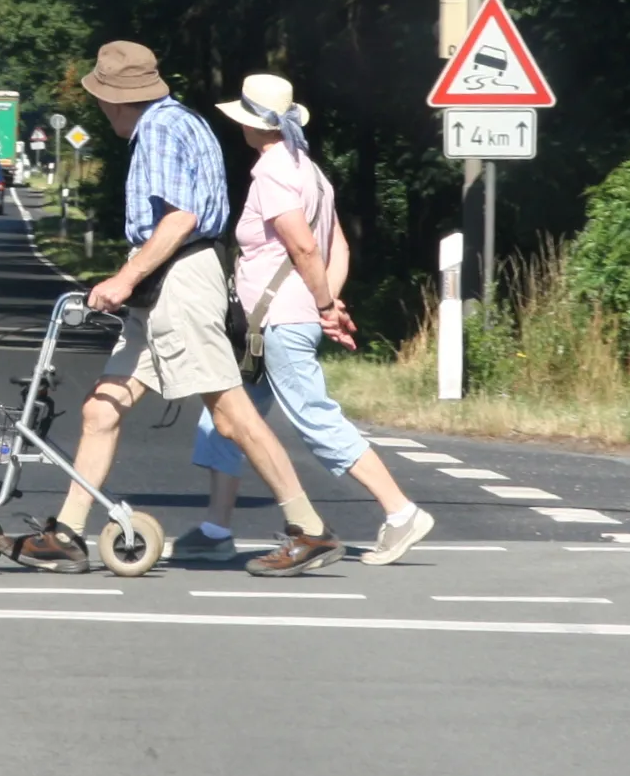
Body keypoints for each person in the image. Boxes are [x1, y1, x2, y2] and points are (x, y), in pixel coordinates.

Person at [8, 42, 338, 576]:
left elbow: (181, 218)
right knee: (101, 407)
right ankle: (67, 533)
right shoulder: (179, 121)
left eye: (101, 99)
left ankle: (311, 530)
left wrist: (125, 276)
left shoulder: (159, 129)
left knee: (231, 416)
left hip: (180, 279)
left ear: (116, 100)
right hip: (166, 281)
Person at [174, 74, 435, 569]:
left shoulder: (273, 172)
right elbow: (339, 246)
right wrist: (330, 302)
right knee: (224, 419)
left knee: (314, 417)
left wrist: (321, 306)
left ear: (254, 126)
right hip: (274, 323)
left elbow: (304, 245)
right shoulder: (310, 170)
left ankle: (401, 511)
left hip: (277, 324)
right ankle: (215, 528)